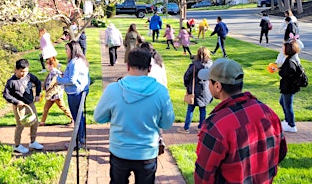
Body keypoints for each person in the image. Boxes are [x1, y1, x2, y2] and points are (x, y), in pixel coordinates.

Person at [194, 58, 287, 183]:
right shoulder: (268, 113)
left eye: (209, 81)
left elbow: (203, 177)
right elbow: (281, 152)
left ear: (217, 86)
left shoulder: (215, 126)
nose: (208, 84)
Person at [94, 48, 175, 183]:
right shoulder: (161, 92)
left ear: (127, 66)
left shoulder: (113, 89)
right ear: (149, 68)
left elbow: (99, 117)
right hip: (147, 151)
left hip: (120, 150)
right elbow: (167, 123)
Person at [3, 59, 44, 154]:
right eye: (21, 71)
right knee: (20, 125)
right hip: (19, 106)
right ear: (16, 70)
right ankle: (17, 145)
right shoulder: (12, 81)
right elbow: (6, 94)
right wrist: (16, 101)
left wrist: (37, 94)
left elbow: (38, 83)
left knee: (35, 122)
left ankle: (33, 142)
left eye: (25, 71)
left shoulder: (29, 76)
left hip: (30, 103)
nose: (23, 73)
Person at [57, 41, 90, 148]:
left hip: (75, 92)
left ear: (73, 50)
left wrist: (58, 79)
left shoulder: (75, 62)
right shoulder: (80, 60)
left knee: (77, 118)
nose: (66, 52)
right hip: (80, 91)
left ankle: (79, 141)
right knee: (80, 117)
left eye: (67, 49)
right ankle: (81, 138)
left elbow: (72, 80)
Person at [177, 46, 213, 134]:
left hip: (193, 89)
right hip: (206, 90)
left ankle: (186, 128)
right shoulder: (211, 66)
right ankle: (201, 126)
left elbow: (187, 76)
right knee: (203, 109)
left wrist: (187, 85)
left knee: (190, 109)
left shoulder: (194, 66)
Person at [40, 57, 73, 126]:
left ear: (51, 65)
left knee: (63, 107)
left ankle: (73, 119)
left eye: (47, 65)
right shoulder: (51, 73)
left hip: (56, 95)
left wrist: (50, 92)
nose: (46, 66)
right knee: (46, 108)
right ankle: (42, 122)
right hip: (51, 95)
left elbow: (57, 85)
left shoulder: (56, 73)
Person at [279, 39, 303, 133]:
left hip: (288, 87)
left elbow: (286, 73)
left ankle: (291, 125)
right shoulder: (291, 59)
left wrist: (280, 71)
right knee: (282, 102)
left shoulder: (290, 62)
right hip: (288, 86)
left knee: (288, 105)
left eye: (283, 48)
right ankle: (287, 120)